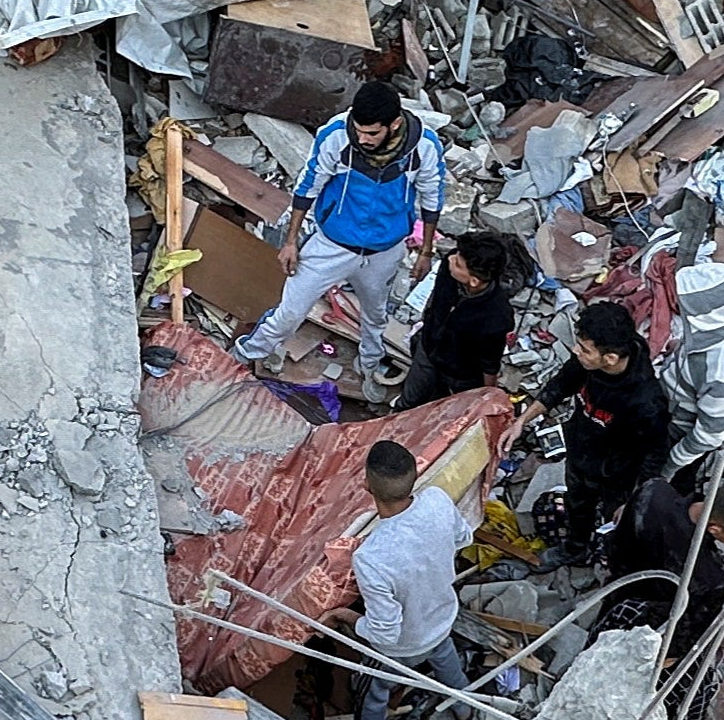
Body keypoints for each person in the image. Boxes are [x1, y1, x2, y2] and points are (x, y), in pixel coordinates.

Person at [239, 79, 444, 391]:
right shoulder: (335, 135)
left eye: (372, 133)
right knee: (290, 311)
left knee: (375, 318)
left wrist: (426, 252)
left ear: (395, 124)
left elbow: (432, 198)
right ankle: (242, 356)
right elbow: (309, 186)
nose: (363, 139)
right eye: (358, 130)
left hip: (384, 250)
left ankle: (369, 369)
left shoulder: (424, 146)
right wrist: (291, 241)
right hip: (331, 244)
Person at [345, 439, 467, 720]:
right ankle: (465, 709)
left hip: (402, 646)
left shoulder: (370, 557)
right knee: (445, 659)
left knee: (372, 694)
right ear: (415, 475)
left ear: (365, 485)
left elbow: (386, 633)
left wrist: (343, 617)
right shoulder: (438, 500)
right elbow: (463, 538)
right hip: (441, 619)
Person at [534, 298, 670, 563]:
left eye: (584, 349)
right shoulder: (588, 362)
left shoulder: (646, 402)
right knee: (577, 506)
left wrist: (632, 499)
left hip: (616, 475)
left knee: (619, 523)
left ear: (610, 358)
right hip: (580, 453)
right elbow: (560, 384)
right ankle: (575, 549)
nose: (576, 351)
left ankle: (615, 564)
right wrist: (521, 422)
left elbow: (655, 453)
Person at [603, 476, 724, 667]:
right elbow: (684, 634)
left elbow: (623, 519)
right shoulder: (712, 579)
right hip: (646, 613)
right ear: (714, 529)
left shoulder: (654, 490)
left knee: (604, 627)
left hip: (619, 581)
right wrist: (668, 657)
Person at [392, 229, 524, 409]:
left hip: (460, 373)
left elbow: (490, 362)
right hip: (428, 348)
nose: (450, 260)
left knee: (451, 409)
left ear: (474, 281)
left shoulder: (496, 317)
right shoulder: (451, 264)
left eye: (458, 264)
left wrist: (486, 396)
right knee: (410, 399)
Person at [662, 257, 724, 460]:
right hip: (679, 381)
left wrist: (672, 463)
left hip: (680, 417)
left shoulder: (722, 378)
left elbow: (709, 437)